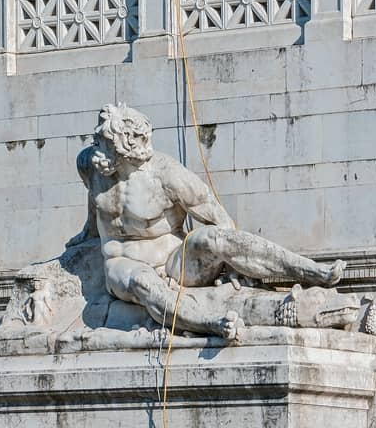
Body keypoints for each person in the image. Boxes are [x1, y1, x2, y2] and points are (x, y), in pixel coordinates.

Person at [72, 103, 344, 342]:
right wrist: (87, 232)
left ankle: (309, 271)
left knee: (215, 238)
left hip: (175, 262)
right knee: (144, 283)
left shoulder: (165, 175)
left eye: (104, 141)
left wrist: (234, 264)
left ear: (125, 147)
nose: (96, 146)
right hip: (122, 265)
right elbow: (96, 202)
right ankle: (210, 325)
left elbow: (217, 216)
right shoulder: (88, 164)